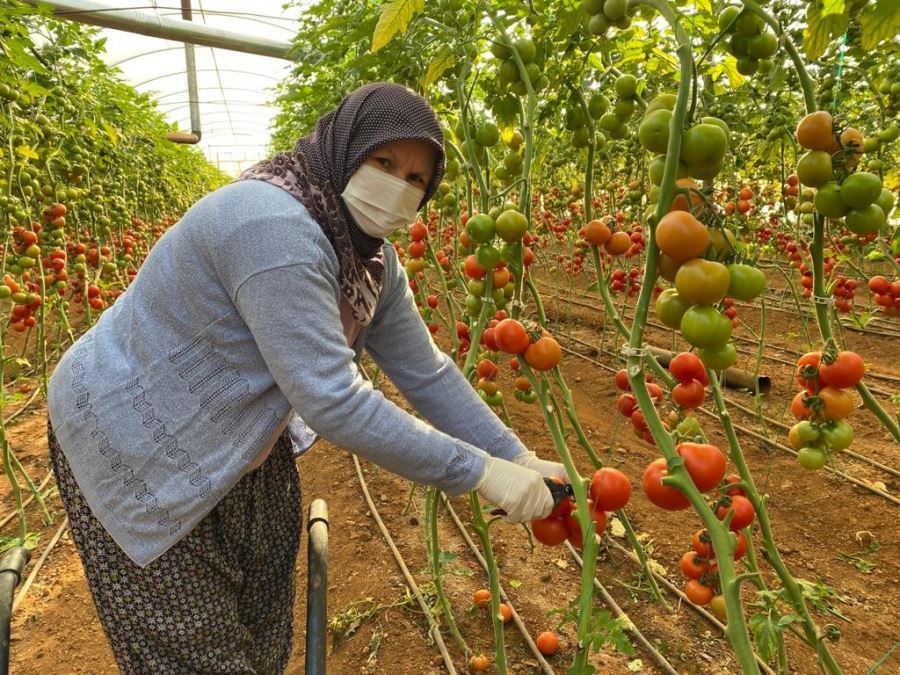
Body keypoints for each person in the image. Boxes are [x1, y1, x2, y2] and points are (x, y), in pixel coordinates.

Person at [46, 82, 565, 673]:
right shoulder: (272, 227)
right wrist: (478, 472)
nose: (398, 186)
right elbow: (331, 397)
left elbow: (428, 372)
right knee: (193, 650)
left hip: (242, 433)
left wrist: (514, 455)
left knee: (265, 621)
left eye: (418, 180)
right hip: (129, 430)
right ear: (344, 148)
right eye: (384, 162)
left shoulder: (372, 261)